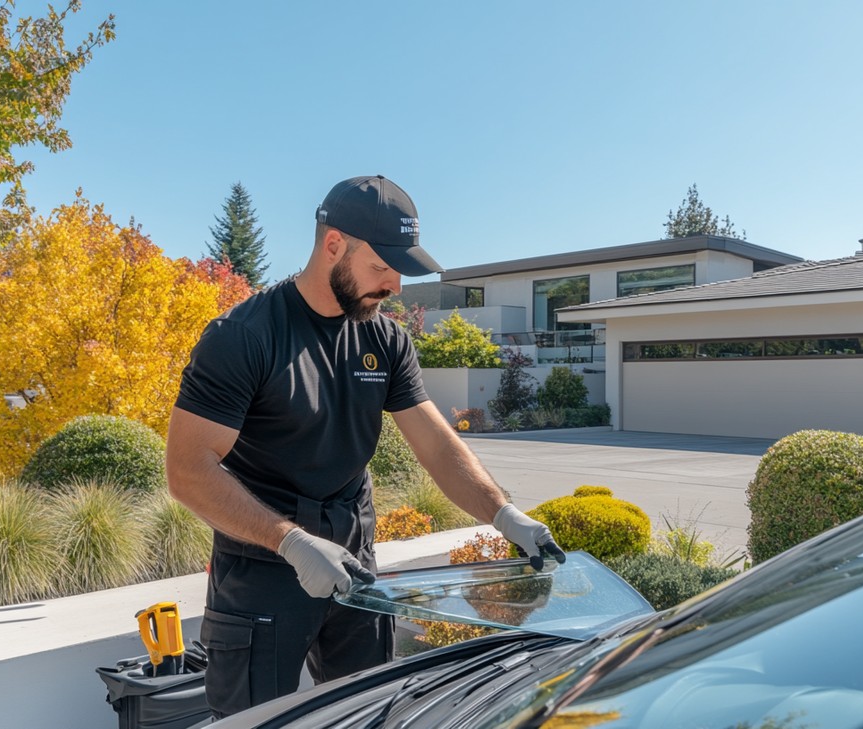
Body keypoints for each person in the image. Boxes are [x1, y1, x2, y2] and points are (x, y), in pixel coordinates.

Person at [166, 175, 565, 719]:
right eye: (382, 267)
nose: (396, 286)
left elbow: (435, 443)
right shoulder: (243, 337)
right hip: (263, 567)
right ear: (334, 245)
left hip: (354, 561)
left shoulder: (384, 337)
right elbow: (188, 470)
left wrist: (505, 514)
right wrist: (292, 543)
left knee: (371, 711)